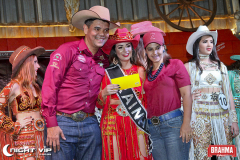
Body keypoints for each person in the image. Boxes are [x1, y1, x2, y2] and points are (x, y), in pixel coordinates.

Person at [41, 6, 120, 160]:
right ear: (85, 28)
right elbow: (49, 87)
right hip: (62, 123)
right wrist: (51, 124)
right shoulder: (66, 50)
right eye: (97, 29)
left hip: (90, 124)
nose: (102, 34)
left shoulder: (105, 60)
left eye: (105, 30)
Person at [185, 25, 239, 160]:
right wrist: (190, 97)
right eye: (205, 41)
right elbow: (181, 94)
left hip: (221, 116)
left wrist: (233, 121)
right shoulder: (188, 67)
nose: (209, 44)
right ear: (197, 45)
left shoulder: (221, 66)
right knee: (202, 153)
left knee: (223, 151)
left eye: (211, 41)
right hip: (199, 116)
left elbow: (228, 94)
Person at [97, 28, 151, 160]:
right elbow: (99, 104)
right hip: (114, 123)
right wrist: (103, 93)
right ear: (115, 51)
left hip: (135, 121)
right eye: (120, 47)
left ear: (132, 48)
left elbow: (146, 99)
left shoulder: (140, 71)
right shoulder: (107, 73)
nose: (125, 50)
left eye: (128, 46)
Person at [142, 31, 192, 160]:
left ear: (163, 47)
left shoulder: (175, 64)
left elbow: (186, 94)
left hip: (173, 125)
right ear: (146, 52)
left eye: (158, 47)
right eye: (150, 49)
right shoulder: (146, 73)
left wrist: (186, 123)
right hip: (152, 128)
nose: (155, 52)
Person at [0, 45, 45, 160]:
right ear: (27, 64)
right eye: (35, 62)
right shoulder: (14, 85)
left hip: (41, 135)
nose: (38, 66)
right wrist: (13, 126)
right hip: (24, 137)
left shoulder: (35, 86)